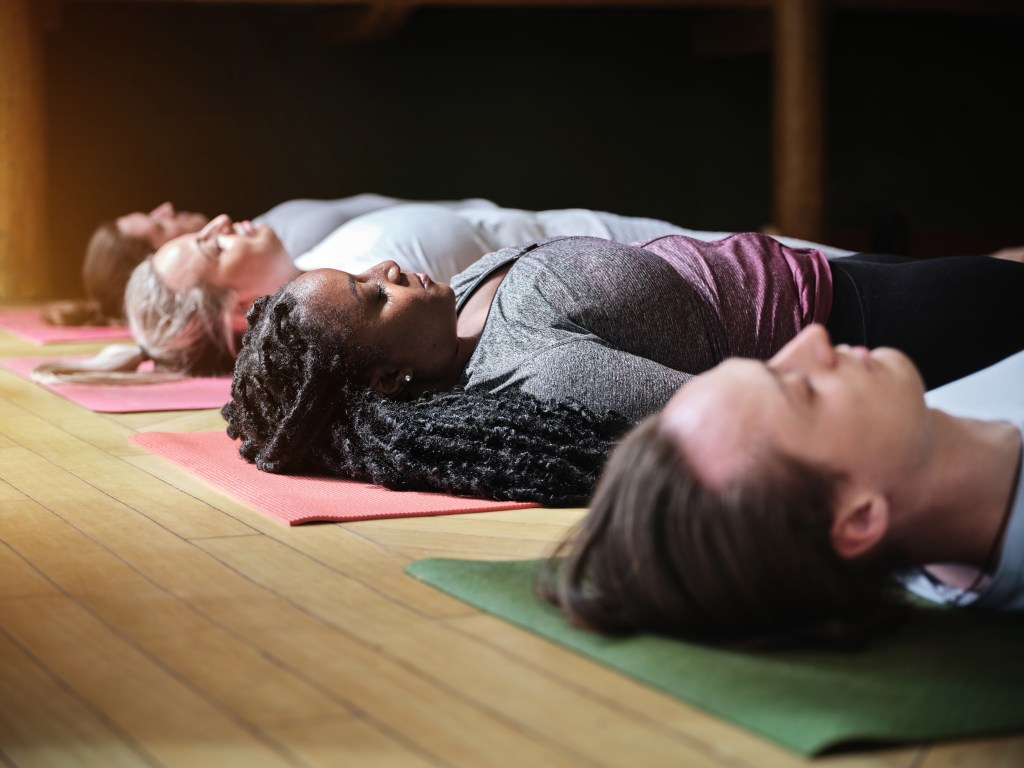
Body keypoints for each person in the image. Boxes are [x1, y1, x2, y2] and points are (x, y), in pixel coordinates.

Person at [223, 233, 1024, 506]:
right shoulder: (539, 375)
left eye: (364, 270)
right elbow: (743, 410)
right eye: (372, 297)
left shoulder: (449, 318)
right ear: (393, 381)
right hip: (848, 323)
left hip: (809, 268)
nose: (389, 268)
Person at [545, 323, 1024, 648]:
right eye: (803, 390)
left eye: (771, 362)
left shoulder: (921, 420)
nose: (812, 337)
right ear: (859, 519)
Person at [46, 194, 488, 326]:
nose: (220, 221)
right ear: (238, 308)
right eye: (211, 247)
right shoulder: (383, 276)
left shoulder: (322, 261)